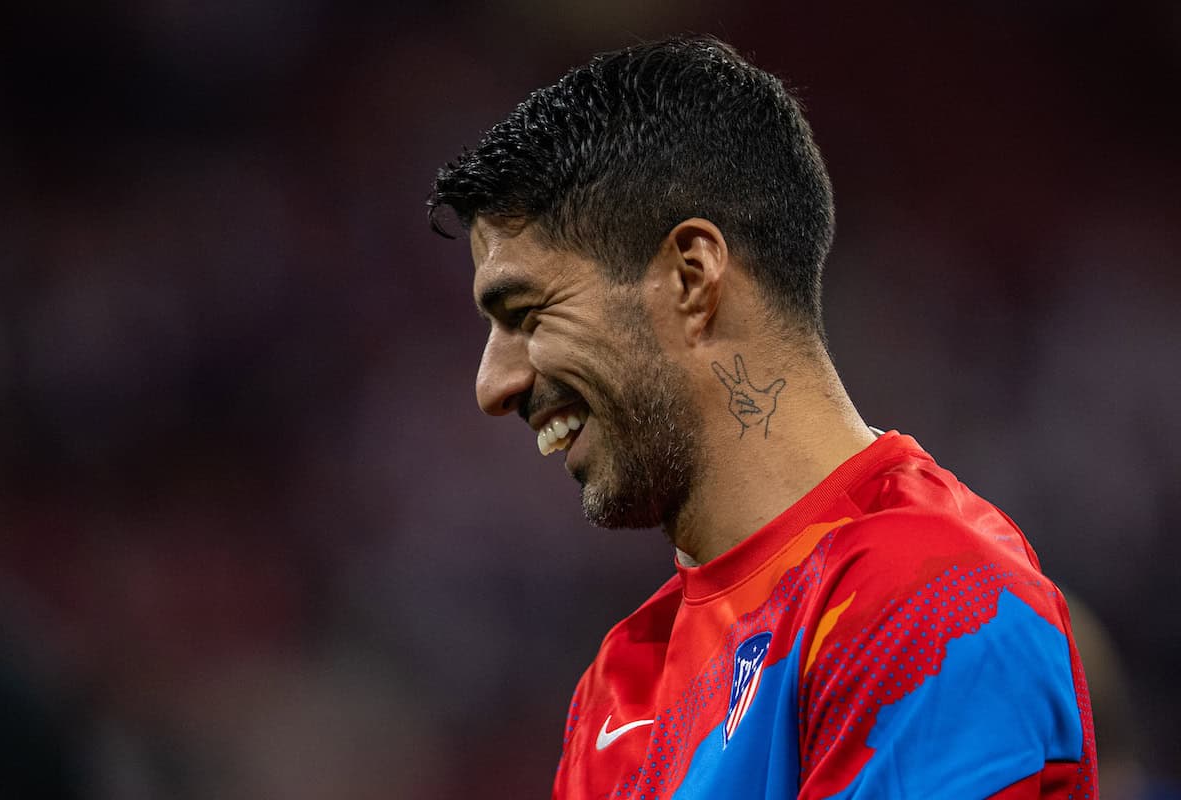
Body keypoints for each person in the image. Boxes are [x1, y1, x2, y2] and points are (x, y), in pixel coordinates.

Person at [429, 35, 1097, 799]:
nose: (494, 384)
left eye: (527, 313)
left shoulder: (933, 605)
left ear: (692, 276)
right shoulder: (620, 685)